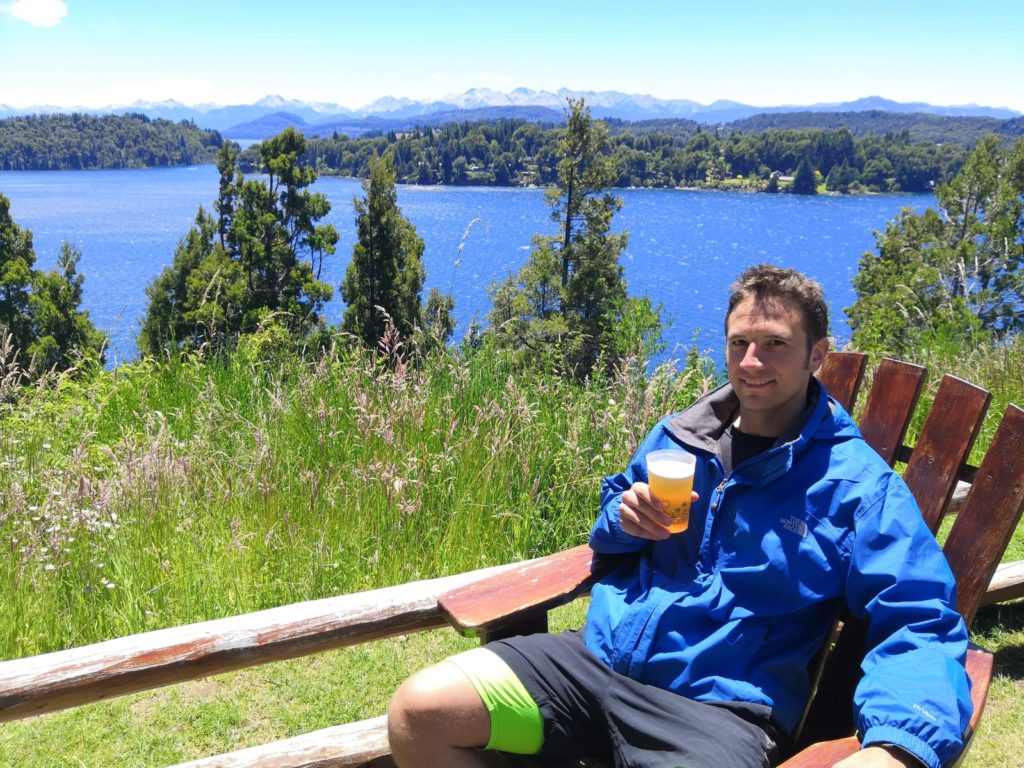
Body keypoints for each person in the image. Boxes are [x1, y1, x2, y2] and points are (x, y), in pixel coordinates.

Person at [387, 264, 972, 768]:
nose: (751, 361)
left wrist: (899, 743)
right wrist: (623, 518)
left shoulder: (853, 488)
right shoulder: (681, 438)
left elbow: (919, 616)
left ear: (817, 354)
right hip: (599, 664)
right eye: (739, 342)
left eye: (775, 344)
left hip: (716, 710)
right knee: (422, 713)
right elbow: (610, 527)